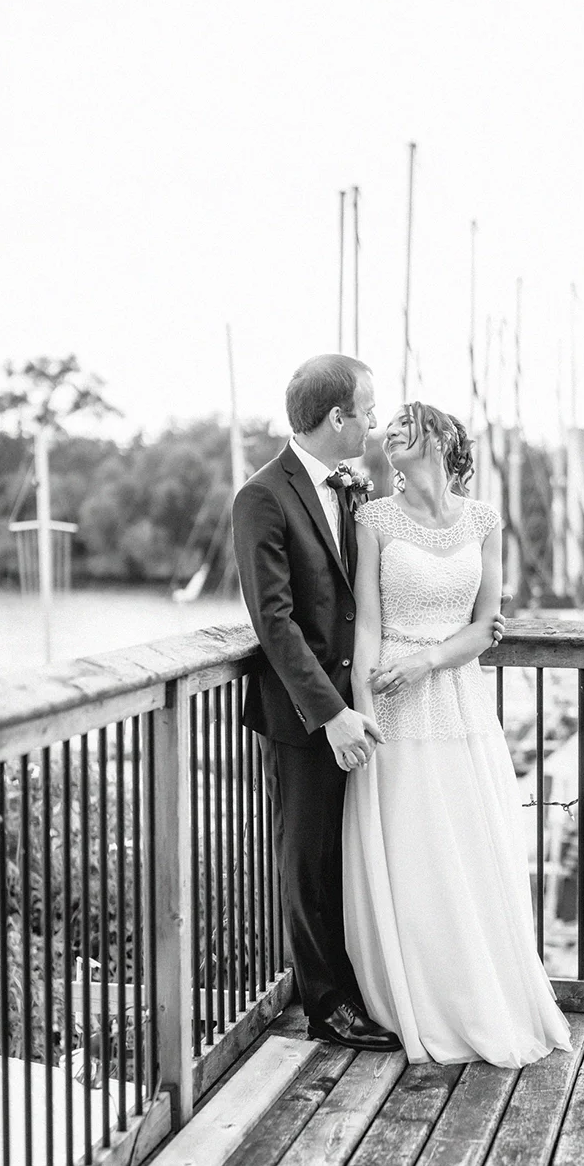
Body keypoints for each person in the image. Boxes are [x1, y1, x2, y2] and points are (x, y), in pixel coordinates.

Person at [342, 402, 574, 1066]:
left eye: (409, 423)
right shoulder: (374, 520)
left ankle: (480, 992)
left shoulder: (484, 521)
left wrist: (427, 662)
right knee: (412, 844)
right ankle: (417, 995)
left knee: (469, 843)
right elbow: (365, 621)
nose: (394, 432)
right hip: (390, 697)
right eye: (389, 429)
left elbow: (485, 626)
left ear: (443, 438)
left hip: (456, 696)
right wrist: (363, 701)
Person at [231, 354, 401, 1051]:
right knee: (310, 859)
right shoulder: (262, 497)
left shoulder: (350, 488)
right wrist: (331, 713)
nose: (372, 421)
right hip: (308, 717)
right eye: (367, 410)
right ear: (338, 418)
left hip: (362, 700)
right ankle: (326, 1006)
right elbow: (274, 621)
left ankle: (367, 987)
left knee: (354, 854)